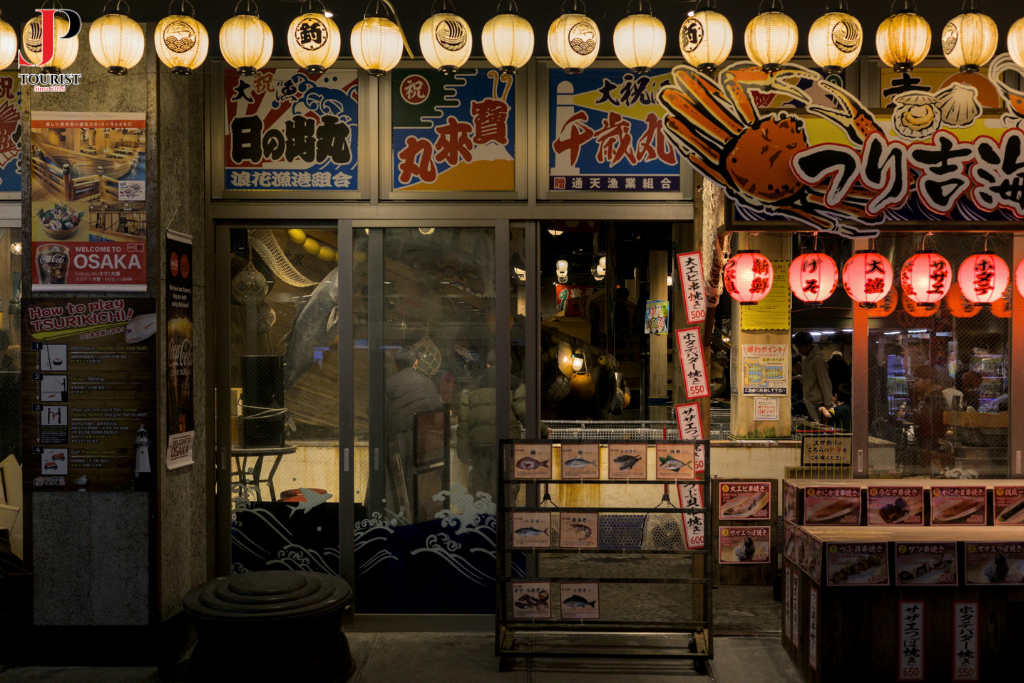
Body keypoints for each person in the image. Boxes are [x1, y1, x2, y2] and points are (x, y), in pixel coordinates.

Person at [458, 351, 547, 497]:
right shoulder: (515, 384)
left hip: (479, 446)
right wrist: (544, 431)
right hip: (505, 446)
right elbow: (526, 415)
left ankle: (483, 511)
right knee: (505, 491)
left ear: (488, 365)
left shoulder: (472, 386)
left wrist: (463, 452)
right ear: (509, 366)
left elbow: (464, 421)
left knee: (480, 492)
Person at [381, 348, 444, 517]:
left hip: (395, 435)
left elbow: (380, 410)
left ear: (397, 364)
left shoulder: (389, 382)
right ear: (416, 362)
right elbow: (436, 406)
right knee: (416, 476)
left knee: (396, 478)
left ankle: (395, 517)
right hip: (419, 435)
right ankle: (417, 516)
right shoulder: (426, 382)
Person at [792, 331, 833, 422]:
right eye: (797, 347)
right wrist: (797, 377)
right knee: (813, 426)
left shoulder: (817, 359)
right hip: (809, 402)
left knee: (820, 427)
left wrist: (829, 406)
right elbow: (808, 379)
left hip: (819, 403)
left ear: (808, 345)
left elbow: (825, 383)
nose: (798, 350)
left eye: (800, 347)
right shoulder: (804, 358)